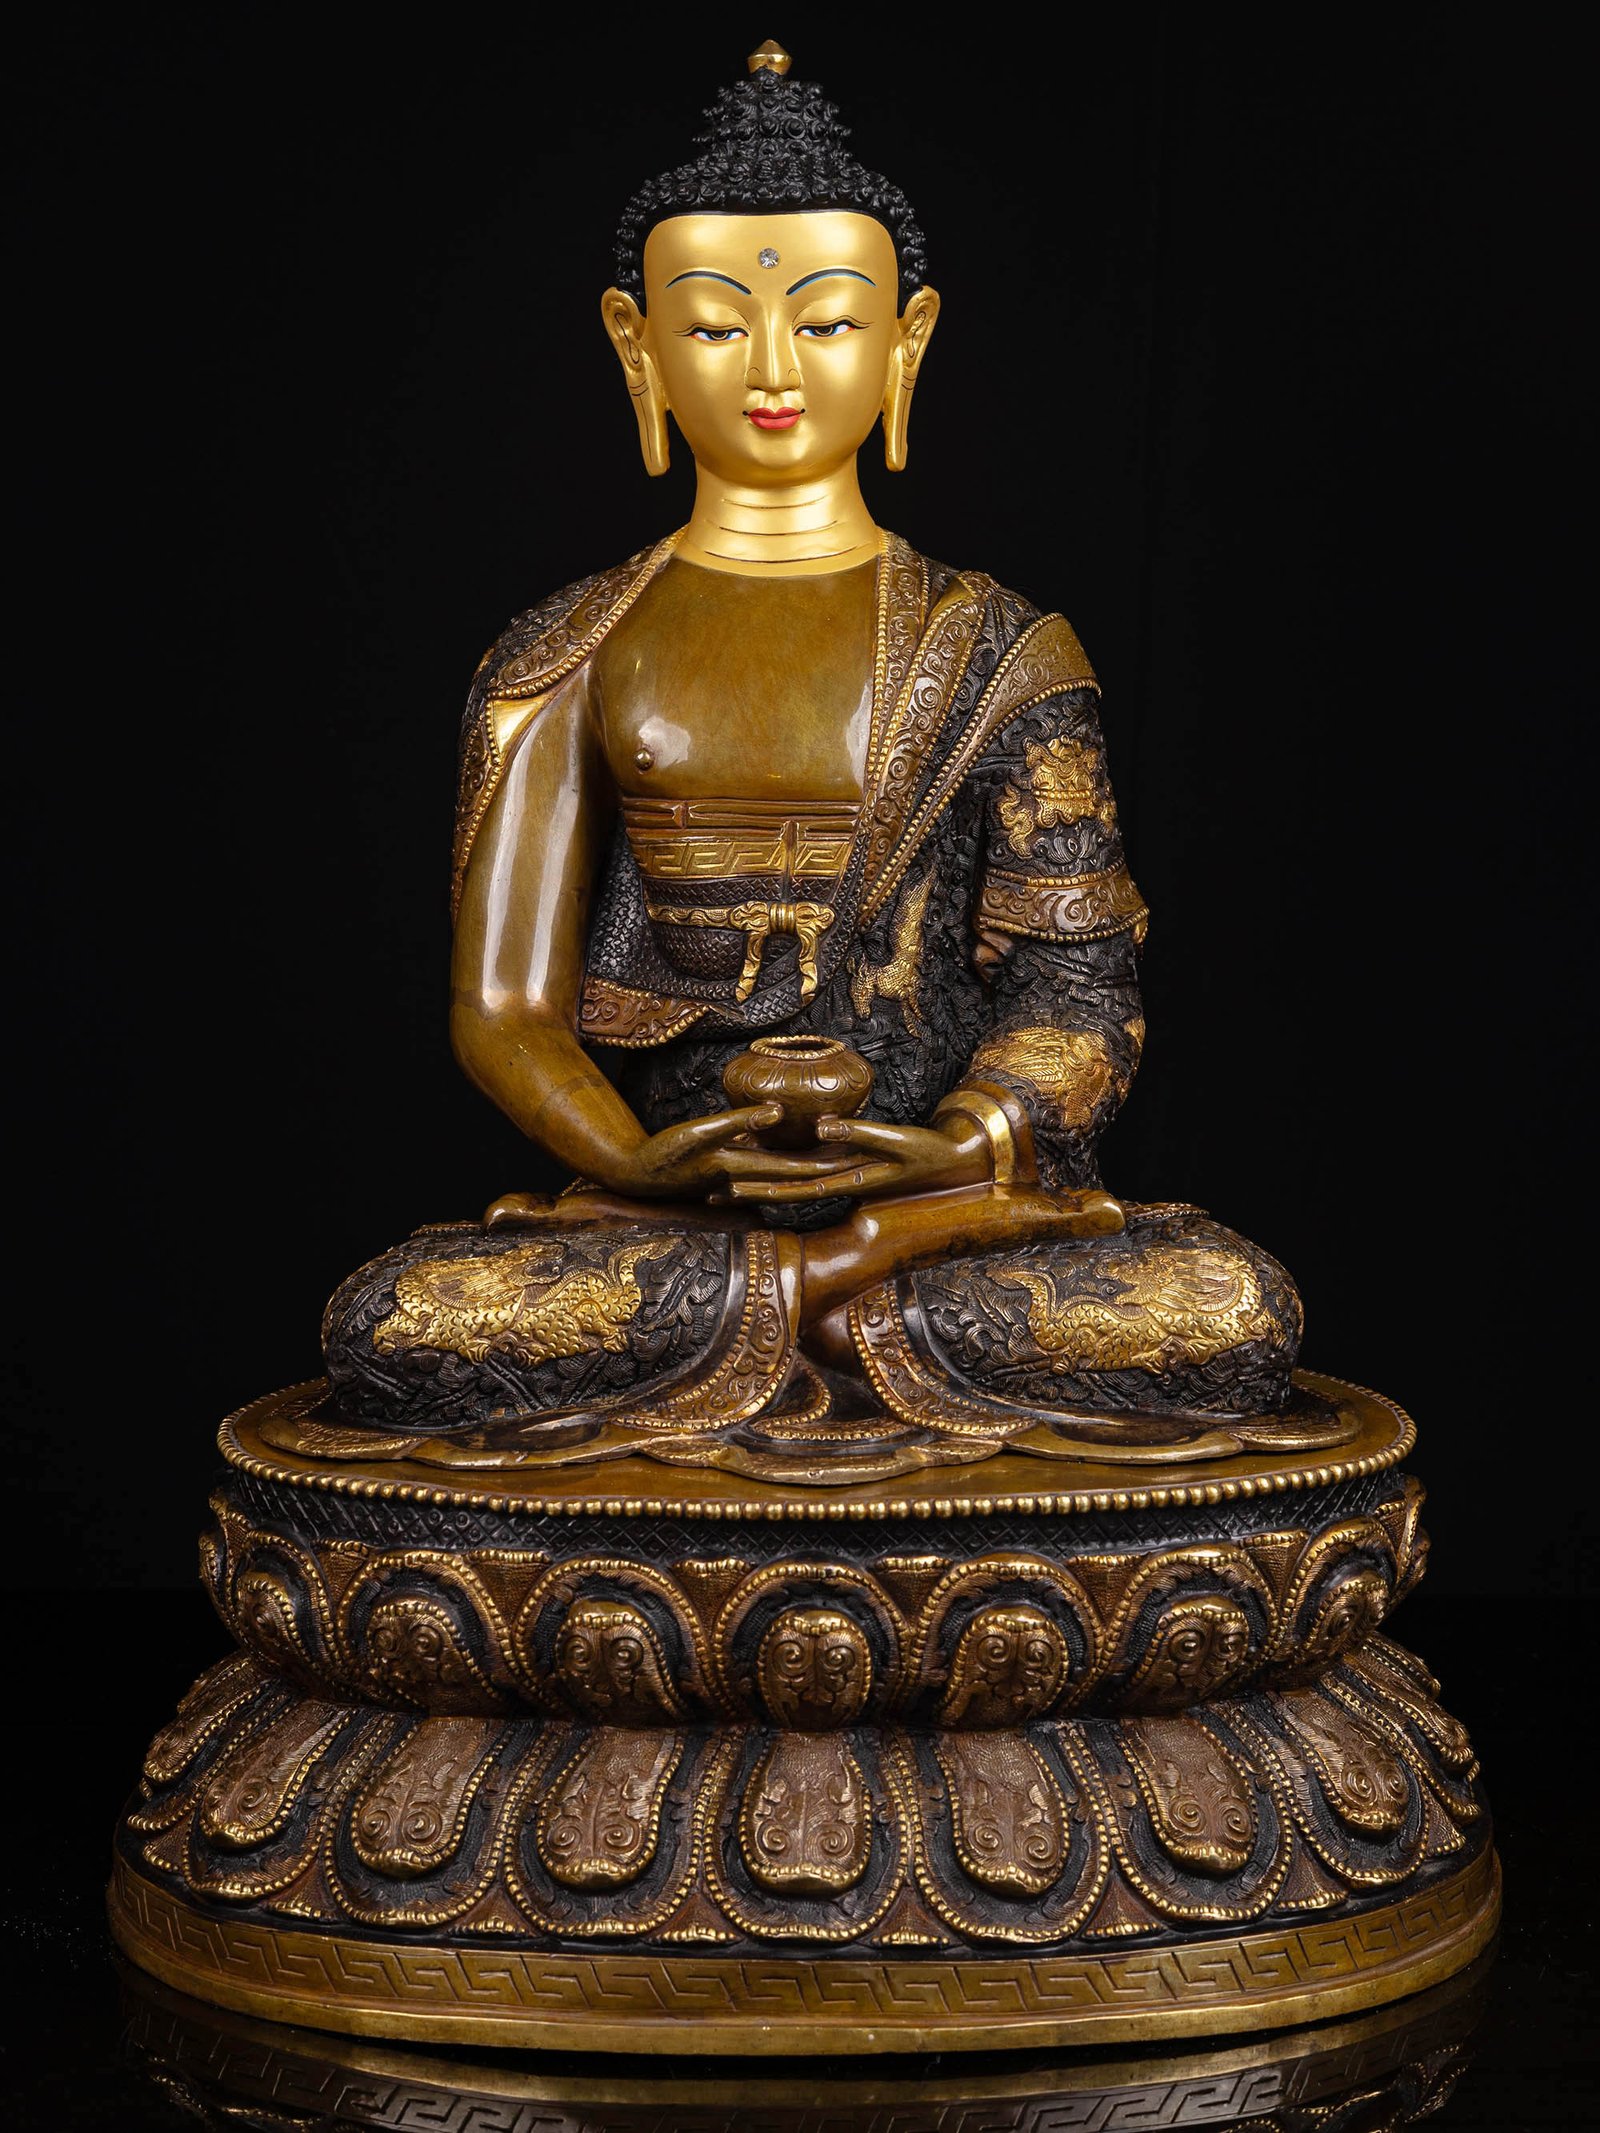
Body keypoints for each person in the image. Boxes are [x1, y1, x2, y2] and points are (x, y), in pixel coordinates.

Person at [319, 46, 1329, 1477]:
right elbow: (503, 1008)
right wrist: (631, 1159)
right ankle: (822, 1299)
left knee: (1224, 1307)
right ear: (636, 346)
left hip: (943, 1211)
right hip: (678, 1219)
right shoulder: (566, 650)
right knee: (402, 1322)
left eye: (829, 322)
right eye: (715, 326)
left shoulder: (1004, 651)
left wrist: (964, 1144)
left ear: (907, 343)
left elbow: (1082, 992)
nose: (776, 370)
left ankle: (817, 1293)